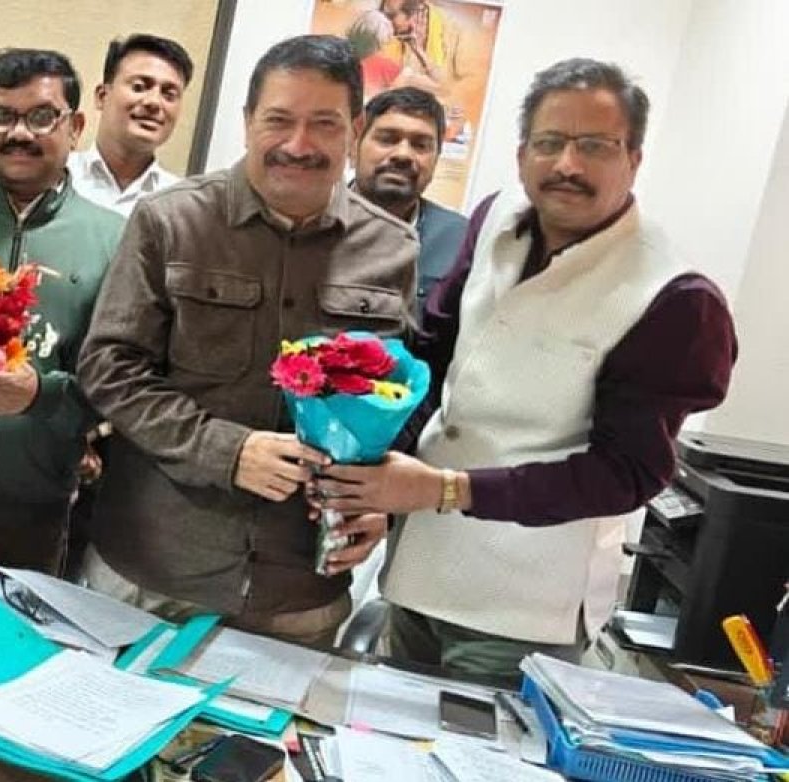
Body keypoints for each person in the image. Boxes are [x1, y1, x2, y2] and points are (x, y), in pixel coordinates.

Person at [312, 58, 737, 680]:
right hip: (418, 570)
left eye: (595, 146)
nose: (568, 164)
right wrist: (373, 476)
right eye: (550, 142)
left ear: (634, 159)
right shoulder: (494, 219)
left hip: (521, 609)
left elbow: (626, 472)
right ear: (520, 154)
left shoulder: (672, 296)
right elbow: (434, 361)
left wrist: (444, 489)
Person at [76, 34, 418, 649]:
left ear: (355, 129)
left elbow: (390, 399)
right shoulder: (170, 220)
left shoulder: (393, 248)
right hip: (154, 574)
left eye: (324, 124)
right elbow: (109, 367)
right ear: (247, 121)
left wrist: (377, 505)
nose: (298, 144)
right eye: (278, 120)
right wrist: (227, 452)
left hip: (299, 594)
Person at [0, 48, 124, 574]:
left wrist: (40, 395)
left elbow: (119, 389)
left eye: (41, 117)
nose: (19, 134)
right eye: (2, 116)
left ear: (76, 127)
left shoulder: (116, 241)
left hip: (35, 520)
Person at [352, 87, 466, 317]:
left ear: (437, 159)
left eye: (420, 145)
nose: (403, 154)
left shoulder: (461, 241)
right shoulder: (311, 221)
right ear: (354, 146)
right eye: (387, 139)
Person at [68, 33, 193, 217]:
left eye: (169, 94)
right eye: (139, 87)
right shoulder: (56, 177)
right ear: (102, 96)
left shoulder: (182, 204)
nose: (154, 102)